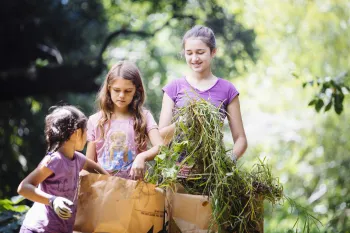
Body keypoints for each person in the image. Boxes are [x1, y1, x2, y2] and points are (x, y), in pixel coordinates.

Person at [159, 25, 248, 166]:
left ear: (213, 52)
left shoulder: (228, 89)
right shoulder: (173, 88)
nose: (194, 58)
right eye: (189, 53)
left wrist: (228, 161)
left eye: (200, 52)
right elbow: (161, 136)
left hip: (211, 173)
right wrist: (182, 122)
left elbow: (241, 139)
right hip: (177, 172)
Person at [17, 105, 109, 233]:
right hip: (37, 229)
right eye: (86, 130)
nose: (87, 137)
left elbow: (102, 174)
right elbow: (23, 187)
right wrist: (53, 201)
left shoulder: (78, 159)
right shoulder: (54, 160)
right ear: (76, 133)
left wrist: (118, 185)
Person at [86, 61, 163, 180]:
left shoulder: (144, 117)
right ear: (108, 89)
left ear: (136, 91)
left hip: (135, 189)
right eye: (117, 90)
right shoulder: (95, 120)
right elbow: (88, 164)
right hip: (103, 190)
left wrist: (141, 157)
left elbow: (160, 147)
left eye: (128, 91)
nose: (122, 95)